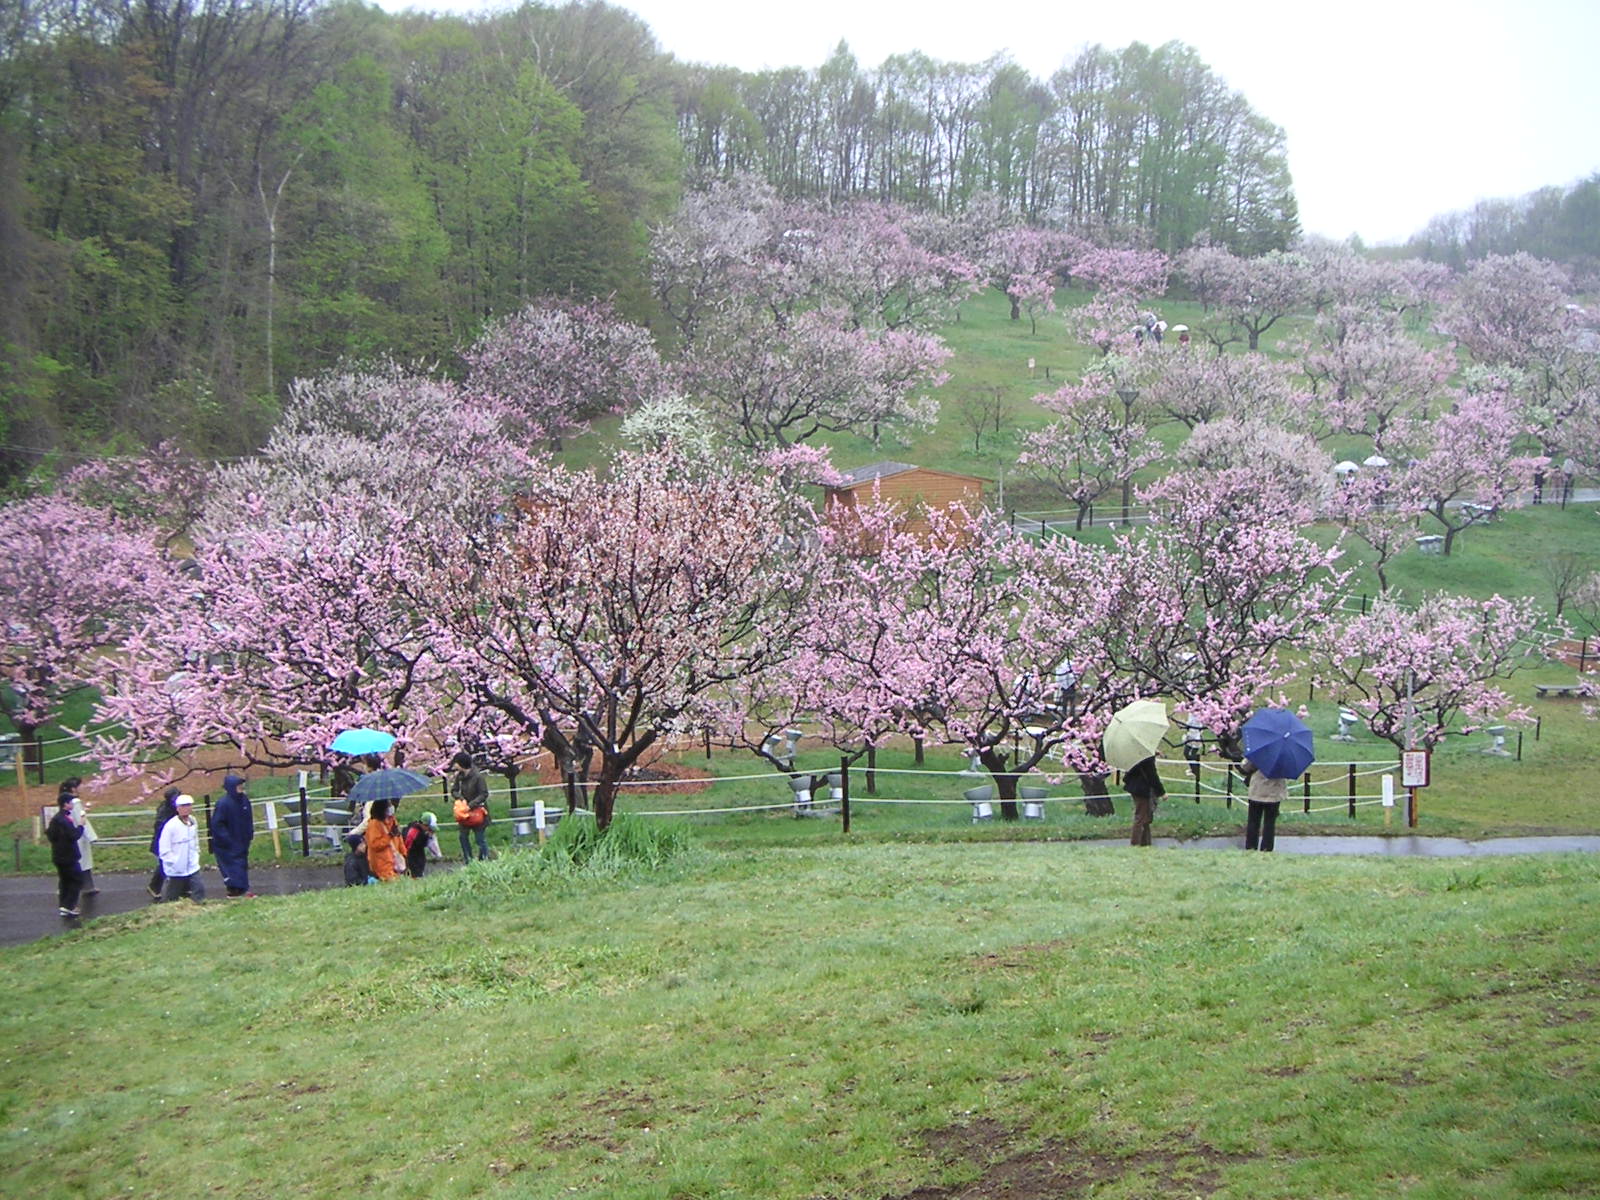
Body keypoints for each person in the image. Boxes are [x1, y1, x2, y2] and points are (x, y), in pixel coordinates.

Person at [158, 794, 207, 903]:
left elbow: (195, 840)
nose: (186, 809)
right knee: (172, 896)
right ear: (177, 808)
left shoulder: (193, 822)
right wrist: (174, 862)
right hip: (176, 869)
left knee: (199, 889)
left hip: (192, 866)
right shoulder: (170, 826)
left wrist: (196, 853)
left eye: (189, 805)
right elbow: (164, 849)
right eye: (183, 806)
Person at [46, 792, 86, 917]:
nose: (72, 804)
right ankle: (70, 906)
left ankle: (64, 905)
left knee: (64, 881)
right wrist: (81, 825)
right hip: (69, 856)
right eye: (71, 802)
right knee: (76, 880)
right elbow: (74, 835)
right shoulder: (64, 820)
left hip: (58, 856)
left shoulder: (56, 819)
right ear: (65, 804)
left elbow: (50, 835)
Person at [60, 777, 98, 895]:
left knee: (80, 862)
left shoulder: (68, 801)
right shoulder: (75, 802)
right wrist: (92, 837)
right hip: (79, 836)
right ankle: (83, 887)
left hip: (74, 836)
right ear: (73, 788)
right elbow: (82, 820)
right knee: (81, 862)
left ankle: (86, 886)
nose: (83, 787)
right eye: (80, 785)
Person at [450, 751, 490, 862]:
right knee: (463, 837)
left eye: (456, 763)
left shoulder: (478, 777)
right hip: (464, 813)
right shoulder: (460, 776)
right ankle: (468, 859)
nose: (454, 766)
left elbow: (484, 794)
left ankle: (484, 859)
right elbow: (454, 790)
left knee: (480, 838)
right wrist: (461, 799)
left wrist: (471, 804)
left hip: (478, 811)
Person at [1241, 758, 1288, 852]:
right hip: (1274, 793)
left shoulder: (1258, 753)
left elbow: (1245, 767)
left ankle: (1251, 847)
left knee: (1253, 822)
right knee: (1269, 824)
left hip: (1257, 792)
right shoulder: (1283, 755)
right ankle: (1267, 848)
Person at [1124, 755, 1165, 847]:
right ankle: (1135, 844)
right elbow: (1152, 775)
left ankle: (1145, 844)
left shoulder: (1134, 755)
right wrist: (1161, 792)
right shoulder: (1147, 757)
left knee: (1145, 817)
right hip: (1142, 789)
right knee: (1141, 818)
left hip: (1135, 787)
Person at [148, 786, 181, 898]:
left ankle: (184, 887)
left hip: (174, 841)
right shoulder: (165, 811)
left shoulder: (175, 809)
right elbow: (160, 827)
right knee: (164, 865)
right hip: (163, 843)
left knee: (179, 863)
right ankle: (154, 886)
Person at [364, 798, 406, 882]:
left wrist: (404, 853)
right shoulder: (374, 824)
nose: (391, 807)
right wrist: (389, 836)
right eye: (389, 805)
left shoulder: (392, 820)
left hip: (395, 861)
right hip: (382, 863)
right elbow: (375, 845)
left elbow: (399, 839)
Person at [403, 811, 444, 878]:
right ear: (424, 825)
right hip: (412, 863)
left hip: (418, 860)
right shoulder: (414, 834)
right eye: (429, 829)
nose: (430, 831)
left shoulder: (421, 832)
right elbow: (407, 848)